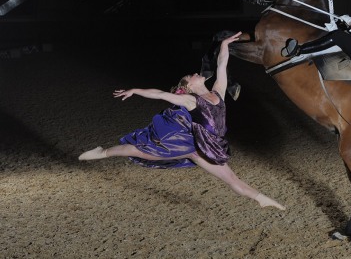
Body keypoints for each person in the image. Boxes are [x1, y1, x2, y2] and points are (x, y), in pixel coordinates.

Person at [78, 32, 285, 210]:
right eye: (191, 76)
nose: (196, 73)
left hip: (210, 148)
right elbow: (160, 94)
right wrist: (135, 90)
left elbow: (222, 64)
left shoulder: (218, 92)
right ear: (189, 87)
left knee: (231, 179)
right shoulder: (190, 100)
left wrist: (224, 44)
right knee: (140, 150)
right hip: (192, 147)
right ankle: (103, 152)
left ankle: (261, 199)